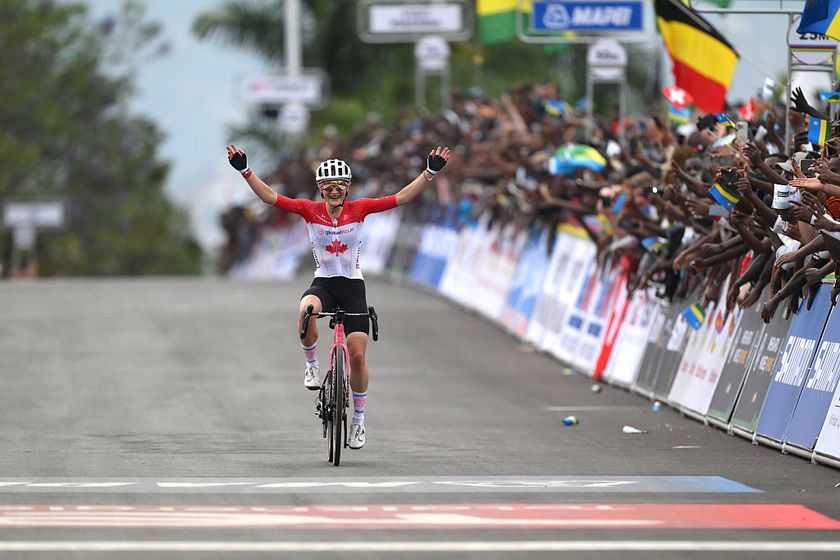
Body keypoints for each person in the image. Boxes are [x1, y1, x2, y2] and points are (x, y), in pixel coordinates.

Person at [226, 143, 451, 449]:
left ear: (347, 189)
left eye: (339, 186)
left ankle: (358, 421)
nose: (334, 191)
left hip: (353, 287)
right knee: (306, 310)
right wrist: (244, 170)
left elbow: (401, 198)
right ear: (320, 190)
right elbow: (269, 197)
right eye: (327, 187)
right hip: (325, 283)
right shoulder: (309, 210)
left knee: (357, 356)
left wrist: (430, 172)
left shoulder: (360, 209)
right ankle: (311, 364)